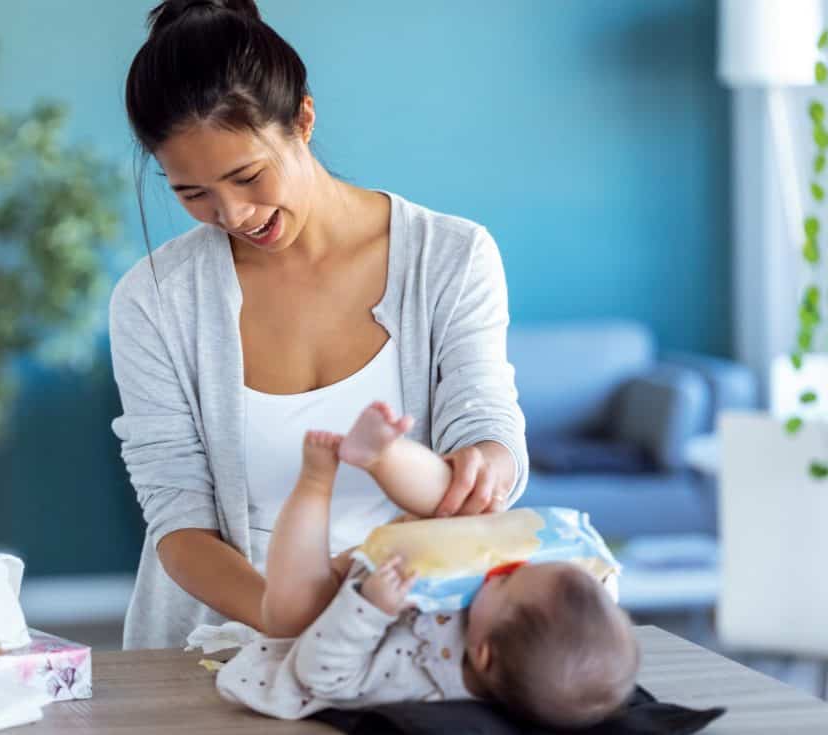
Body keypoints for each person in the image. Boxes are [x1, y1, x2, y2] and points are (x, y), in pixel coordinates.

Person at [112, 0, 528, 649]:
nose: (232, 213)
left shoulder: (451, 257)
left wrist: (487, 460)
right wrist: (286, 609)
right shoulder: (154, 300)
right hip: (215, 647)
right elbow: (177, 516)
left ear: (303, 118)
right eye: (191, 194)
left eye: (247, 175)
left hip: (414, 637)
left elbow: (486, 425)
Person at [218, 401, 639, 729]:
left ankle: (313, 482)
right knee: (464, 502)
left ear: (483, 654)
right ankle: (381, 454)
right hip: (409, 560)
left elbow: (321, 674)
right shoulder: (526, 629)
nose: (506, 568)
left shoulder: (417, 685)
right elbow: (590, 609)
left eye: (507, 580)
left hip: (333, 615)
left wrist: (370, 608)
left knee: (293, 610)